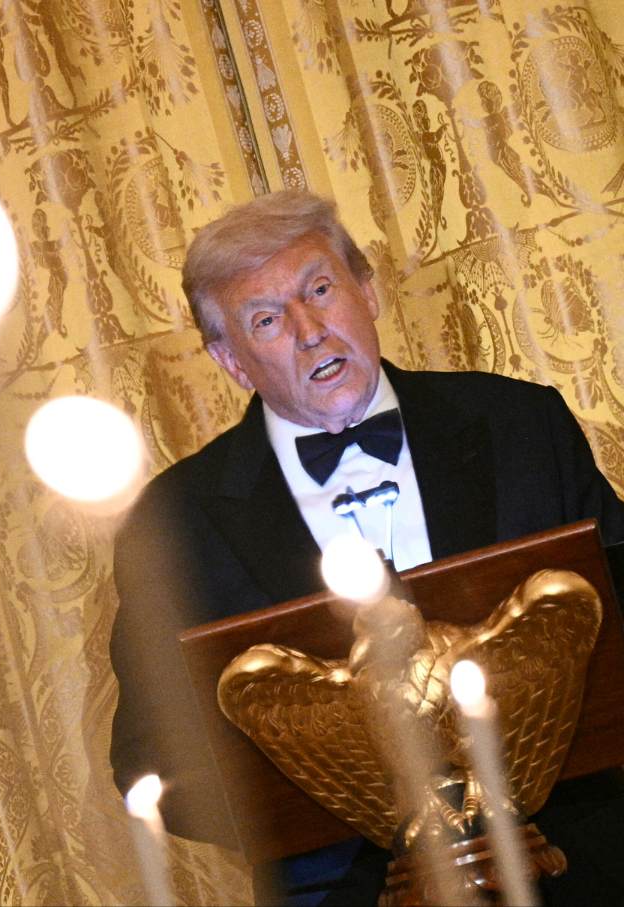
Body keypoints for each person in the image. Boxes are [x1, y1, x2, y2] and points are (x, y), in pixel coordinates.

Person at [108, 190, 624, 905]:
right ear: (231, 361)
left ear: (368, 289)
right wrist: (337, 800)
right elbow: (150, 759)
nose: (311, 330)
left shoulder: (519, 423)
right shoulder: (172, 523)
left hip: (579, 864)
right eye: (267, 319)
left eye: (320, 289)